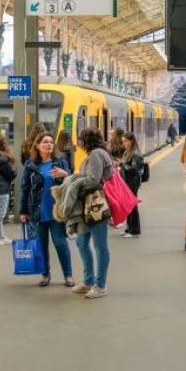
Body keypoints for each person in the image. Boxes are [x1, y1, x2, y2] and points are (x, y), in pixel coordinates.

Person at [19, 133, 73, 287]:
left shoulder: (61, 161)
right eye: (45, 142)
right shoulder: (30, 165)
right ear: (37, 146)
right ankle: (45, 274)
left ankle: (68, 275)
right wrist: (23, 211)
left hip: (57, 211)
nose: (49, 144)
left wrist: (65, 174)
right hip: (37, 212)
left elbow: (72, 183)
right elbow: (25, 189)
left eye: (51, 142)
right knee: (41, 244)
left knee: (60, 243)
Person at [72, 128, 113, 299]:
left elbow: (93, 180)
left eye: (81, 139)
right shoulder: (97, 153)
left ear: (86, 140)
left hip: (96, 204)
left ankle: (100, 285)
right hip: (88, 205)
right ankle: (88, 281)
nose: (79, 143)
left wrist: (72, 181)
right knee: (82, 242)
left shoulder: (96, 154)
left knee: (100, 245)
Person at [118, 132, 145, 238]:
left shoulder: (136, 153)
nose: (124, 143)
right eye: (123, 141)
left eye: (125, 141)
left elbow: (134, 168)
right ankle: (129, 228)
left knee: (132, 205)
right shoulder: (128, 151)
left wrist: (122, 165)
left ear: (131, 141)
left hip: (133, 181)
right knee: (128, 205)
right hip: (128, 181)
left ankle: (134, 230)